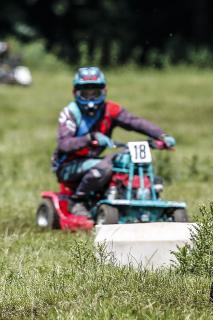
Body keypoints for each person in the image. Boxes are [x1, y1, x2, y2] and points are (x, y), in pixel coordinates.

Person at [51, 66, 176, 217]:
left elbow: (134, 122)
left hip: (91, 161)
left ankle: (134, 197)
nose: (90, 98)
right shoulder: (70, 112)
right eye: (85, 93)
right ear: (75, 93)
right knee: (105, 167)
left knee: (124, 161)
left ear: (104, 92)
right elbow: (64, 144)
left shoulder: (110, 109)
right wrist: (89, 138)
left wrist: (161, 136)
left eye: (95, 93)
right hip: (67, 165)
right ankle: (78, 201)